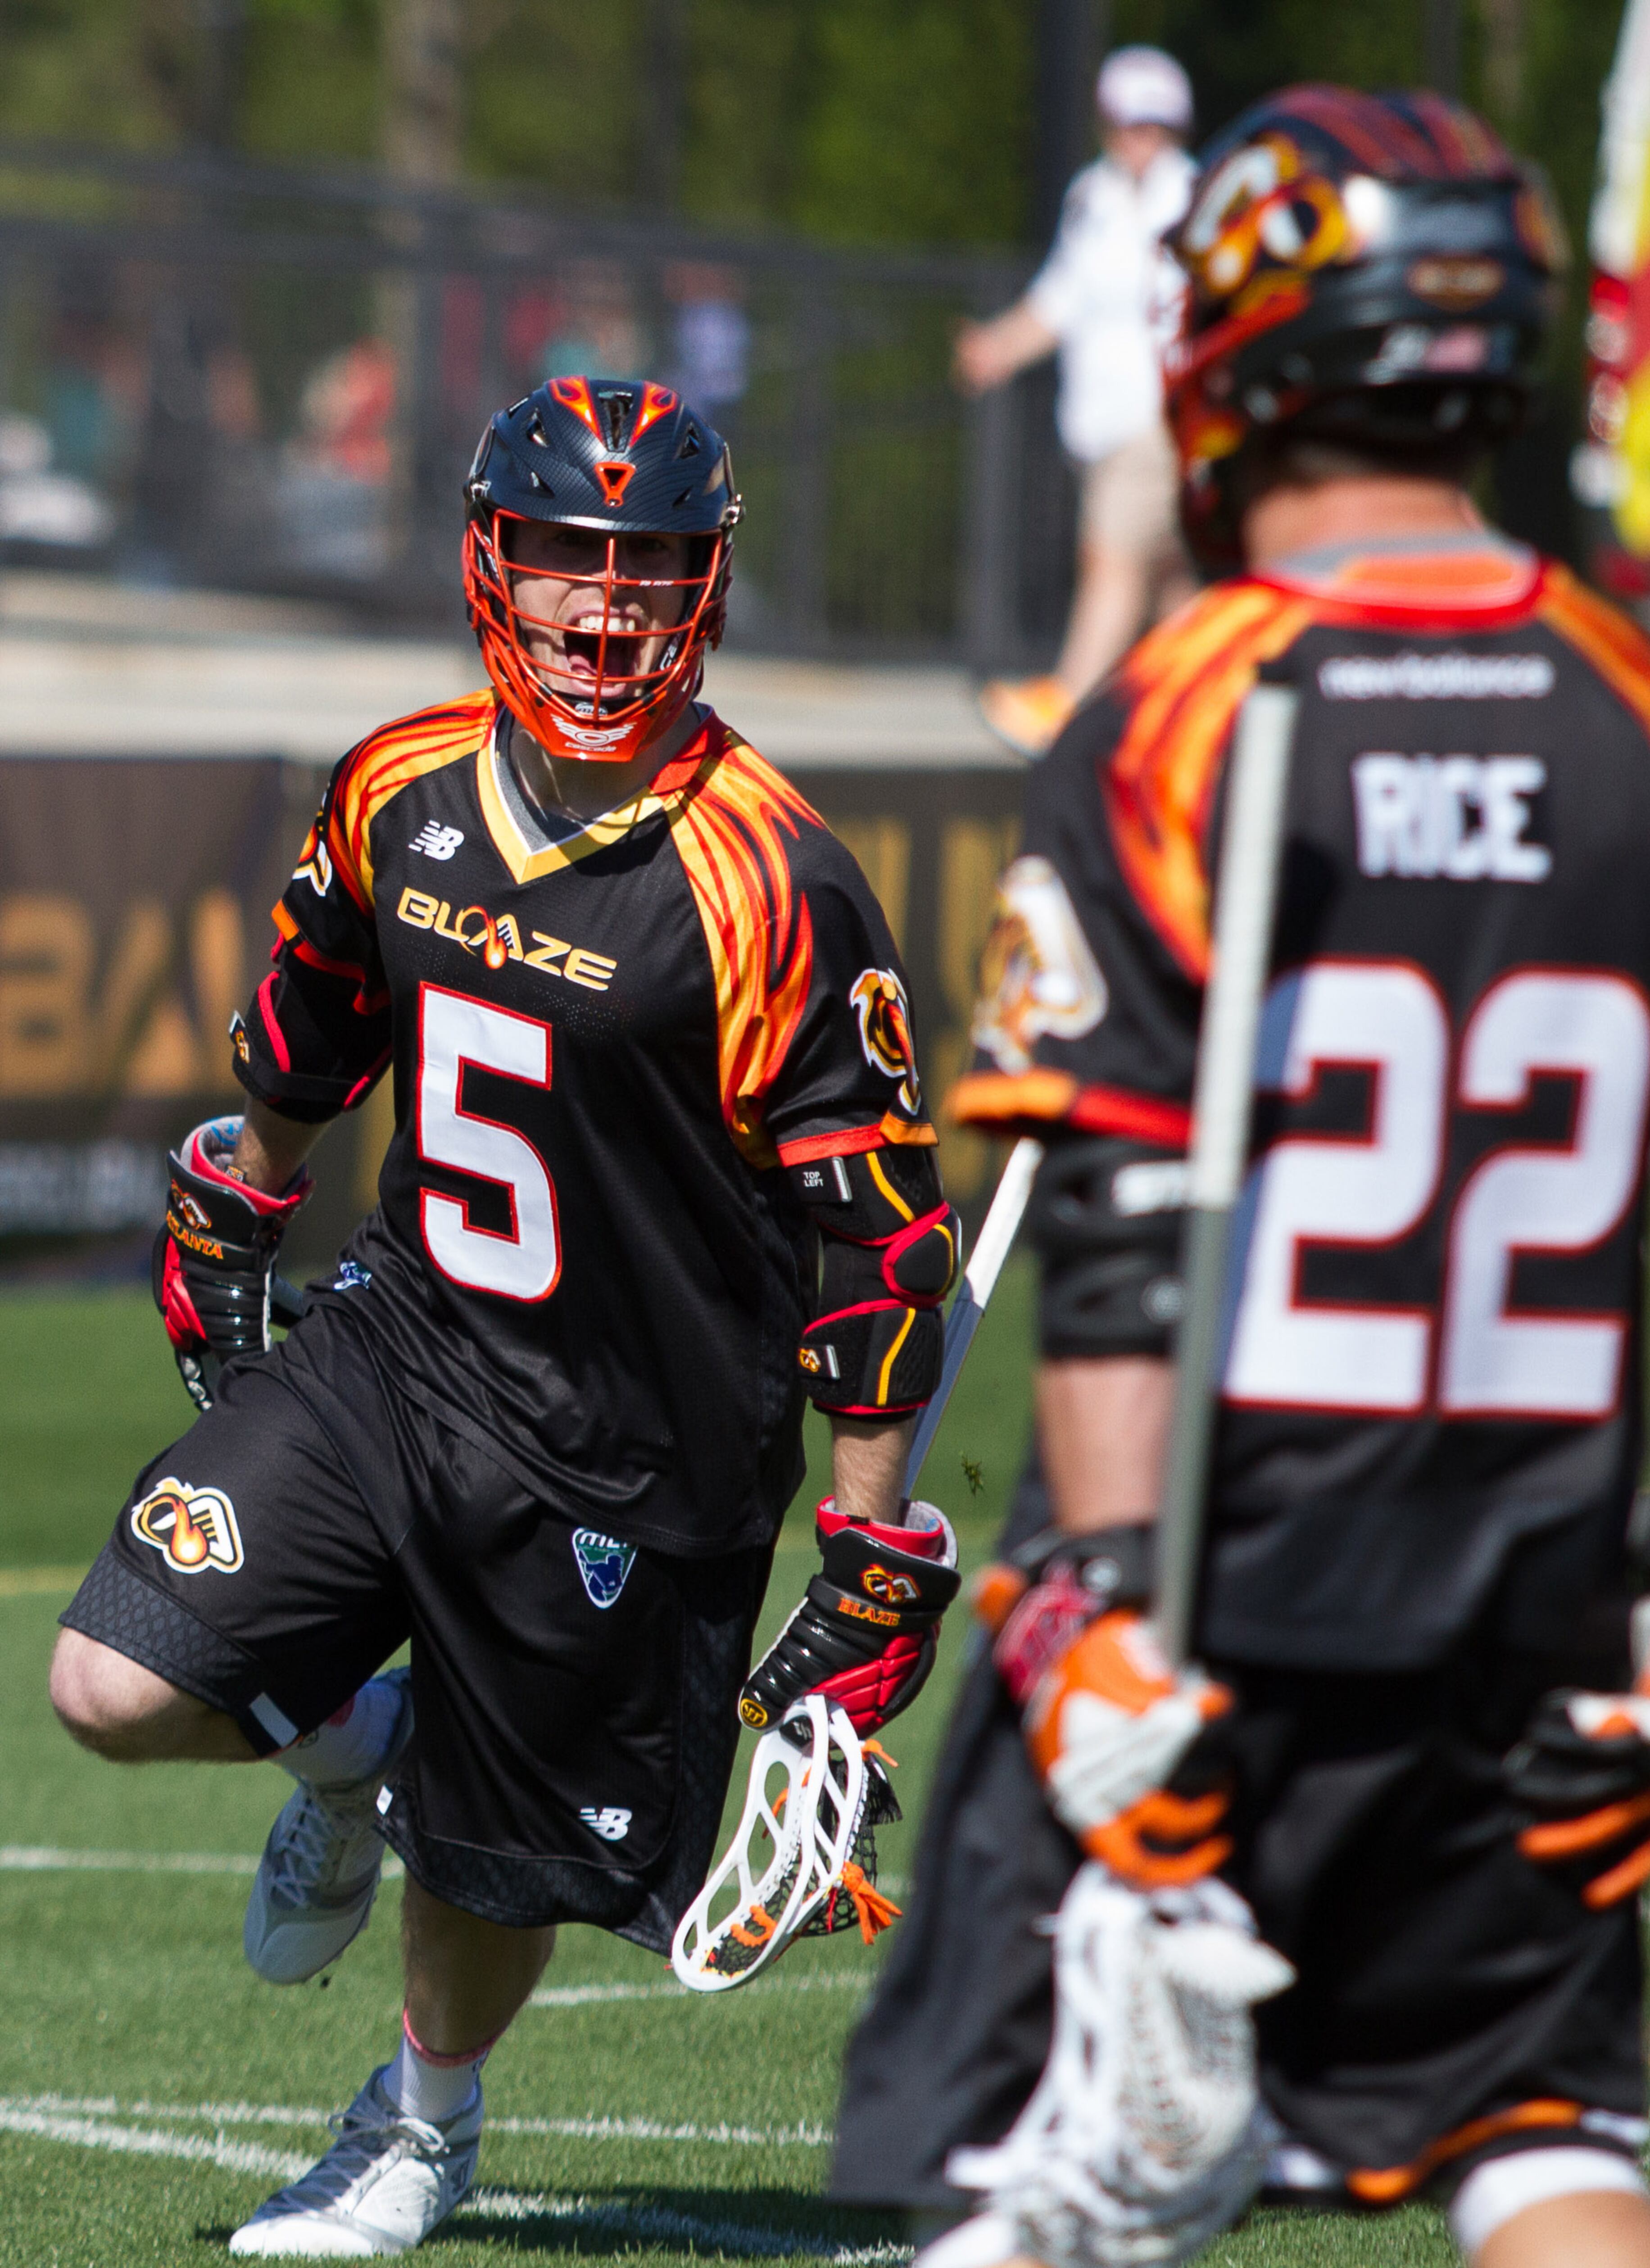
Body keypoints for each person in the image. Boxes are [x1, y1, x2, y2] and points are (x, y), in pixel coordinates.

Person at [832, 85, 1650, 2268]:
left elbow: (1124, 1238)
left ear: (1237, 343)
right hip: (1529, 1593)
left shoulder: (1189, 707)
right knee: (1536, 2136)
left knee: (1013, 2185)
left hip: (1218, 1588)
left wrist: (1099, 1613)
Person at [46, 374, 962, 2259]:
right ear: (492, 561)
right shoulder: (399, 782)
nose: (600, 608)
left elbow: (877, 1245)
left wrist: (874, 1547)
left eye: (645, 568)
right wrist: (245, 1176)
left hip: (640, 1444)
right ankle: (357, 1740)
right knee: (111, 1679)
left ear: (704, 588)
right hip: (406, 1349)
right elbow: (311, 1016)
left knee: (498, 1870)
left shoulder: (773, 874)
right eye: (564, 556)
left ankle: (419, 2130)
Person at [957, 45, 1198, 759]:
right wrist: (999, 345)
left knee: (1113, 558)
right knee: (1171, 585)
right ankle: (1202, 715)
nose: (1138, 137)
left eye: (1152, 123)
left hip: (1158, 418)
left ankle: (1067, 699)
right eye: (1127, 122)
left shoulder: (1191, 197)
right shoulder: (1092, 197)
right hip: (1102, 427)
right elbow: (1062, 298)